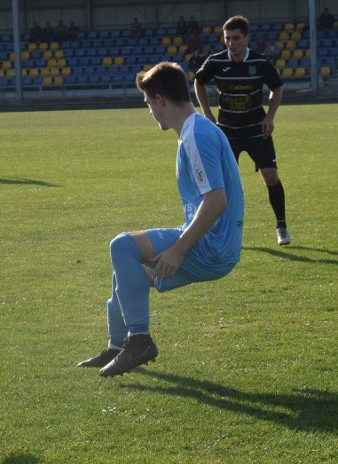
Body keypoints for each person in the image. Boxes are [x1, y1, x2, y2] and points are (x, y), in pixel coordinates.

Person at [77, 61, 244, 377]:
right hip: (216, 244)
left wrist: (178, 249)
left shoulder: (197, 134)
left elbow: (217, 201)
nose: (149, 111)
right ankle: (118, 346)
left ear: (160, 99)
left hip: (213, 247)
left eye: (147, 103)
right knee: (125, 274)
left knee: (121, 246)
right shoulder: (196, 131)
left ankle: (139, 340)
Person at [194, 15, 291, 246]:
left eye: (236, 38)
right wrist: (208, 115)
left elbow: (276, 89)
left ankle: (282, 226)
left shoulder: (260, 62)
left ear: (247, 37)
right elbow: (199, 82)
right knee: (225, 184)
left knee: (271, 176)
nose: (231, 43)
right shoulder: (215, 62)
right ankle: (225, 232)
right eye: (227, 39)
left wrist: (270, 117)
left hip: (257, 130)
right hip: (227, 132)